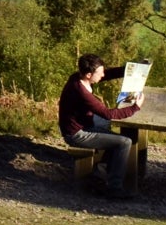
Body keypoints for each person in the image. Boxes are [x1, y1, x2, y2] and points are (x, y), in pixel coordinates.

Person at [59, 54, 140, 196]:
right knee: (124, 142)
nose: (103, 74)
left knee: (107, 126)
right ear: (89, 74)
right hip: (77, 134)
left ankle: (102, 170)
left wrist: (127, 70)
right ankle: (114, 188)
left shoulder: (78, 77)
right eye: (100, 72)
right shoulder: (81, 92)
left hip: (84, 122)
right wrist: (135, 107)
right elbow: (108, 113)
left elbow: (107, 74)